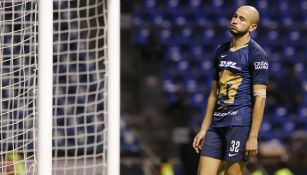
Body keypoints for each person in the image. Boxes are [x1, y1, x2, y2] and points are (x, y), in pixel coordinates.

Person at [192, 5, 269, 175]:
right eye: (235, 16)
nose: (235, 20)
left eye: (242, 19)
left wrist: (253, 136)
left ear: (252, 27)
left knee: (232, 172)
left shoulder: (256, 54)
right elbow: (213, 93)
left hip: (238, 124)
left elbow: (261, 98)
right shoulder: (221, 50)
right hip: (217, 123)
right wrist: (204, 128)